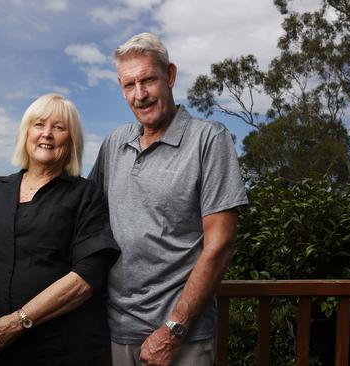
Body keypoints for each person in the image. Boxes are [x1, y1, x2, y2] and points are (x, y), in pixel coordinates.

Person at [88, 33, 248, 366]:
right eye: (129, 85)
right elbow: (85, 217)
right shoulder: (115, 143)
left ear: (170, 76)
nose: (140, 94)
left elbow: (220, 244)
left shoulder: (208, 139)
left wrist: (173, 330)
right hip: (116, 331)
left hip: (180, 338)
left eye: (148, 80)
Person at [0, 93, 120, 365]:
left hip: (62, 349)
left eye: (59, 127)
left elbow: (87, 275)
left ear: (71, 141)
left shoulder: (86, 195)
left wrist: (17, 322)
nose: (47, 134)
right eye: (39, 124)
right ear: (26, 132)